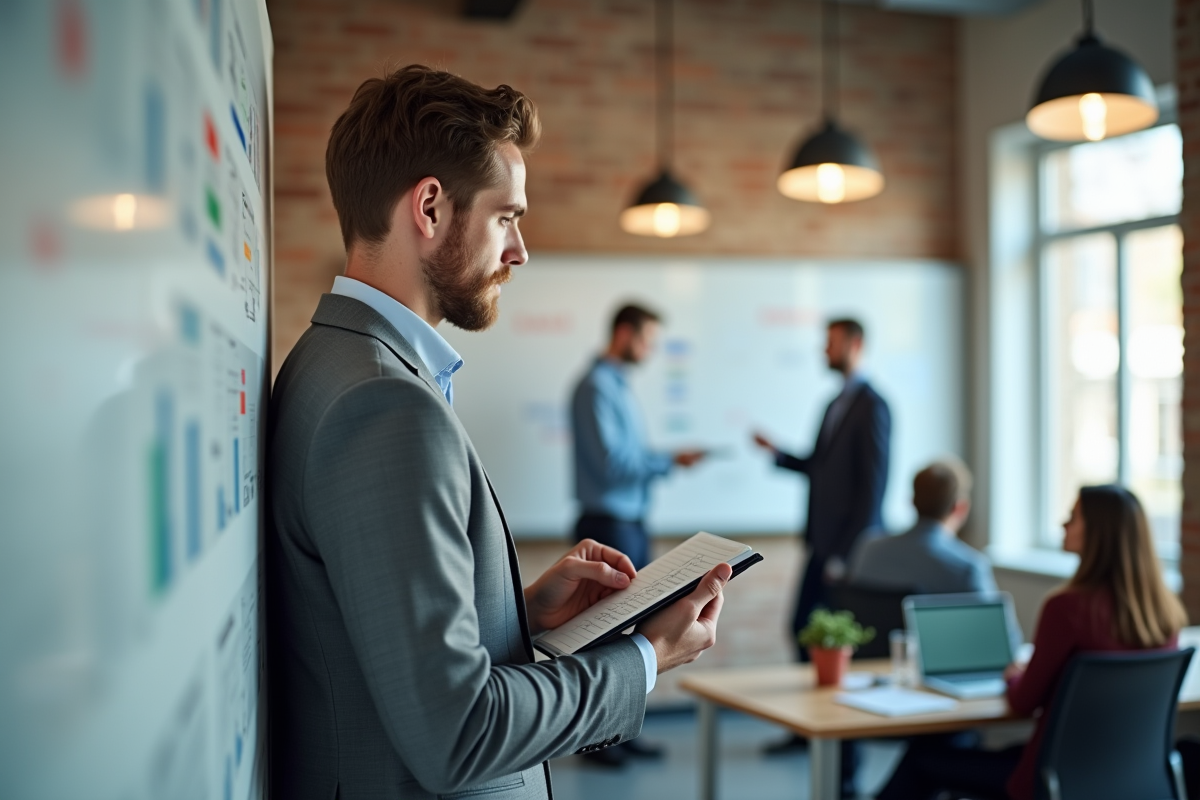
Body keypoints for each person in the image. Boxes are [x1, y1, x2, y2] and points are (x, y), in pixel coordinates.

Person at [267, 65, 732, 800]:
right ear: (429, 207)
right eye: (507, 217)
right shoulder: (385, 406)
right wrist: (645, 657)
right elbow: (458, 732)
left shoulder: (331, 361)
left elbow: (374, 631)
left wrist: (518, 610)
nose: (519, 252)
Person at [875, 485, 1188, 800]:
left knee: (923, 758)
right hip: (1127, 781)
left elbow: (1023, 701)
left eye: (1073, 517)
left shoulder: (1067, 608)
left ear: (1098, 534)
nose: (1062, 525)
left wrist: (1014, 675)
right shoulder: (1164, 615)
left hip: (1051, 781)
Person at [753, 318, 891, 795]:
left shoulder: (874, 406)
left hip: (845, 554)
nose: (823, 350)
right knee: (802, 631)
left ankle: (844, 762)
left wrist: (847, 555)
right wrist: (778, 454)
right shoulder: (835, 402)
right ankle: (805, 729)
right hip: (821, 544)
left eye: (830, 343)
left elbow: (872, 488)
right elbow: (819, 467)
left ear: (856, 343)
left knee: (834, 649)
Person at [568, 303, 707, 766]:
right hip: (607, 526)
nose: (649, 350)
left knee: (630, 630)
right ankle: (599, 743)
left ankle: (621, 733)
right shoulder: (596, 389)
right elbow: (613, 465)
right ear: (624, 333)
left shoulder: (618, 387)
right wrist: (668, 461)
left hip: (629, 523)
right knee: (606, 635)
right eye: (646, 339)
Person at [848, 457, 996, 595]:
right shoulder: (968, 569)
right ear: (960, 508)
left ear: (912, 501)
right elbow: (994, 623)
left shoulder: (868, 548)